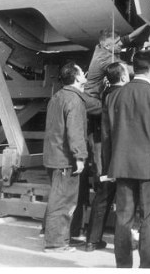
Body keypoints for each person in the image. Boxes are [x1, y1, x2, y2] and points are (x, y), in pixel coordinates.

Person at [103, 48, 150, 269]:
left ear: (132, 69)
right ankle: (147, 266)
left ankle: (123, 266)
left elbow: (107, 136)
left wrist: (108, 168)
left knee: (123, 219)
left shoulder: (113, 97)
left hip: (122, 167)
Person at [42, 61, 101, 253]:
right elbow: (74, 131)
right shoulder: (74, 101)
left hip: (54, 156)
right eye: (82, 72)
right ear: (76, 77)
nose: (85, 73)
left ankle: (63, 238)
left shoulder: (59, 96)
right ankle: (55, 244)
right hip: (65, 160)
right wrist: (80, 157)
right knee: (62, 203)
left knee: (60, 199)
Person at [85, 61, 130, 251]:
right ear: (123, 76)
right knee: (126, 199)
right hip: (123, 154)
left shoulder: (106, 94)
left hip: (104, 153)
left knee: (102, 196)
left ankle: (92, 240)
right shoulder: (126, 94)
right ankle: (126, 242)